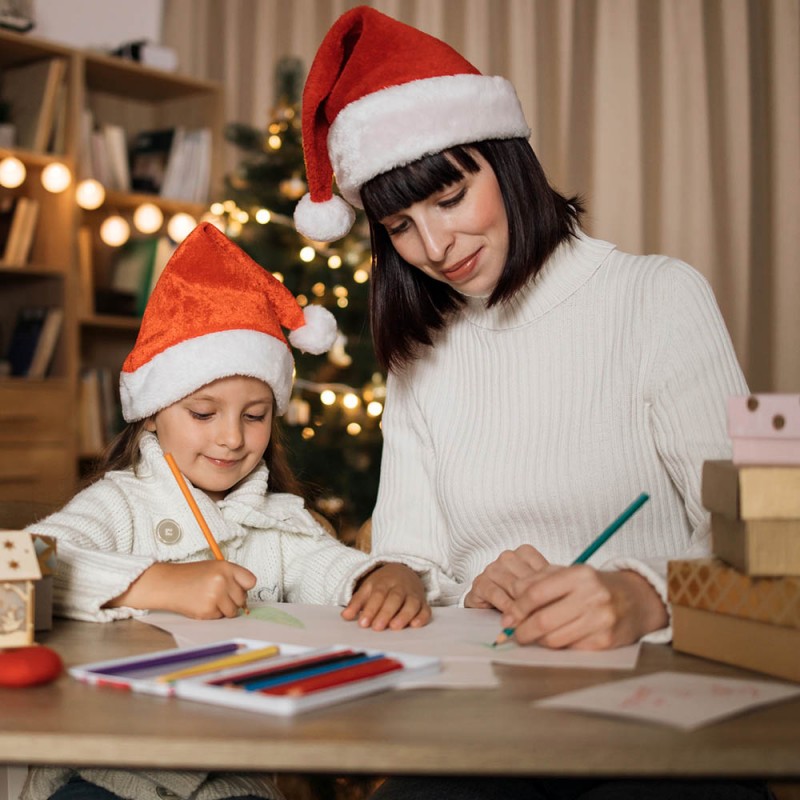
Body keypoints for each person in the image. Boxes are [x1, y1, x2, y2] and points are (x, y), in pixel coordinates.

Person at [294, 8, 773, 800]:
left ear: (507, 161)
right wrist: (468, 578)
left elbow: (762, 548)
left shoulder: (657, 297)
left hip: (666, 712)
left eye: (451, 196)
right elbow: (413, 561)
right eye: (401, 227)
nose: (437, 248)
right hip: (487, 718)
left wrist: (642, 594)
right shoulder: (423, 354)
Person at [21, 221, 431, 800]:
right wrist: (154, 583)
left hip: (233, 778)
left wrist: (381, 576)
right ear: (153, 414)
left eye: (255, 415)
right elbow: (30, 563)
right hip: (107, 766)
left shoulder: (282, 521)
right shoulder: (119, 502)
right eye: (204, 413)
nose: (231, 439)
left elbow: (330, 570)